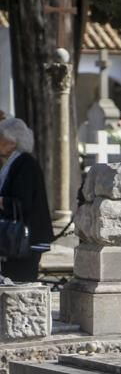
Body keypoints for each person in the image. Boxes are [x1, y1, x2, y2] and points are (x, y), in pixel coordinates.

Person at [0, 118, 52, 282]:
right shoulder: (14, 163)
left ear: (12, 141)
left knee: (20, 282)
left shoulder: (25, 164)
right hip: (17, 239)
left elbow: (24, 201)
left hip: (25, 239)